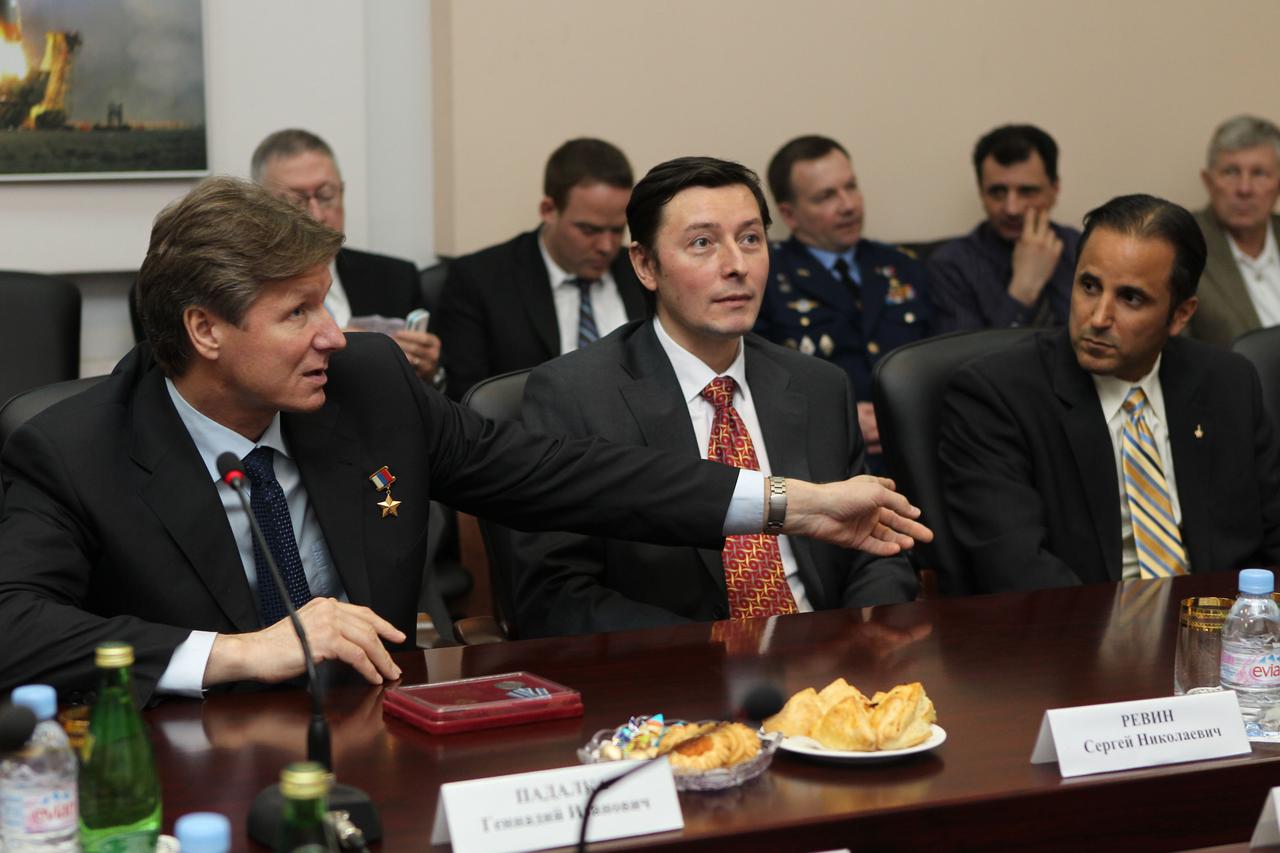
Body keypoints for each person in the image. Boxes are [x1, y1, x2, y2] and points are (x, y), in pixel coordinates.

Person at [0, 177, 931, 702]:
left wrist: (790, 503)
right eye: (298, 313)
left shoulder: (365, 387)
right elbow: (13, 626)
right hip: (189, 765)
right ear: (205, 330)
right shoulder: (74, 445)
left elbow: (570, 476)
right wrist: (236, 650)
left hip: (386, 727)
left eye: (326, 301)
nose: (335, 333)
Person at [513, 157, 918, 638]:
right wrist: (709, 654)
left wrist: (854, 648)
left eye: (750, 239)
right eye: (702, 243)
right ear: (645, 265)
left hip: (827, 669)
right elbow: (554, 594)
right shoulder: (575, 396)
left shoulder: (818, 386)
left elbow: (880, 549)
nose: (736, 266)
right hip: (675, 675)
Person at [939, 193, 1280, 592]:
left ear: (1181, 314)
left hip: (1223, 631)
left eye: (1130, 298)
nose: (1098, 318)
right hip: (1075, 636)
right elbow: (1016, 570)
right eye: (1089, 286)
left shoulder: (1228, 382)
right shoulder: (995, 395)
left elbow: (1273, 536)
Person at [754, 135, 934, 462]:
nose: (848, 205)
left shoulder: (902, 266)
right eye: (826, 196)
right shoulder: (765, 277)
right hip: (829, 456)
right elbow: (760, 382)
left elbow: (941, 359)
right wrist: (840, 417)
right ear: (789, 214)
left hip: (920, 445)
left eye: (850, 187)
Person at [434, 138, 651, 400]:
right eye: (589, 230)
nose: (607, 246)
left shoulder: (644, 272)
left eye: (617, 230)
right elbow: (470, 403)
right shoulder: (481, 279)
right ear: (548, 210)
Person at [251, 128, 442, 387]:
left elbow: (430, 393)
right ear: (260, 208)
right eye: (295, 202)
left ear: (342, 192)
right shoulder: (247, 289)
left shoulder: (394, 277)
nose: (316, 215)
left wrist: (429, 372)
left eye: (326, 195)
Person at [930, 124, 1080, 331]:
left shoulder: (1081, 249)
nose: (1012, 209)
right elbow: (966, 361)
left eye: (1027, 191)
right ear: (981, 193)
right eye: (997, 192)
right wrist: (1023, 290)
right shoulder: (951, 266)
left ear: (1055, 189)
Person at [1186, 115, 1280, 345]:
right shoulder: (1182, 244)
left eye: (1259, 173)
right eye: (1231, 172)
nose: (1244, 189)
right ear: (1208, 181)